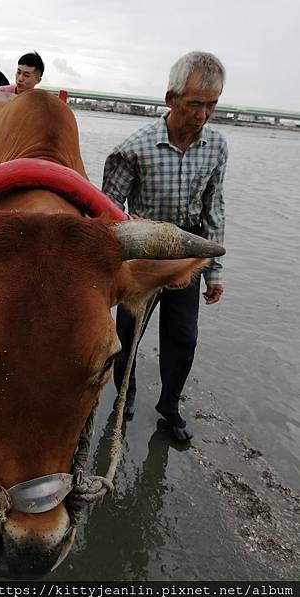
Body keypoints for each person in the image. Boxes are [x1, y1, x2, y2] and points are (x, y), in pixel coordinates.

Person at [102, 51, 228, 442]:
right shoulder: (134, 148)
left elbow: (215, 208)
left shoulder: (217, 147)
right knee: (127, 337)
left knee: (184, 338)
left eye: (211, 105)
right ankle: (125, 397)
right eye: (194, 104)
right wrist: (119, 248)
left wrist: (214, 272)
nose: (202, 115)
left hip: (186, 254)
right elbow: (107, 211)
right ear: (170, 99)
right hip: (142, 254)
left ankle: (169, 407)